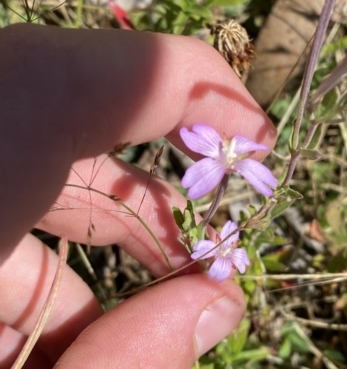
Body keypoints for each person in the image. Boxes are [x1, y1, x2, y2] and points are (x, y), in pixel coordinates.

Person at [0, 23, 277, 368]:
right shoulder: (215, 171)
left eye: (235, 155)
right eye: (231, 152)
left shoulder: (231, 216)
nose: (232, 155)